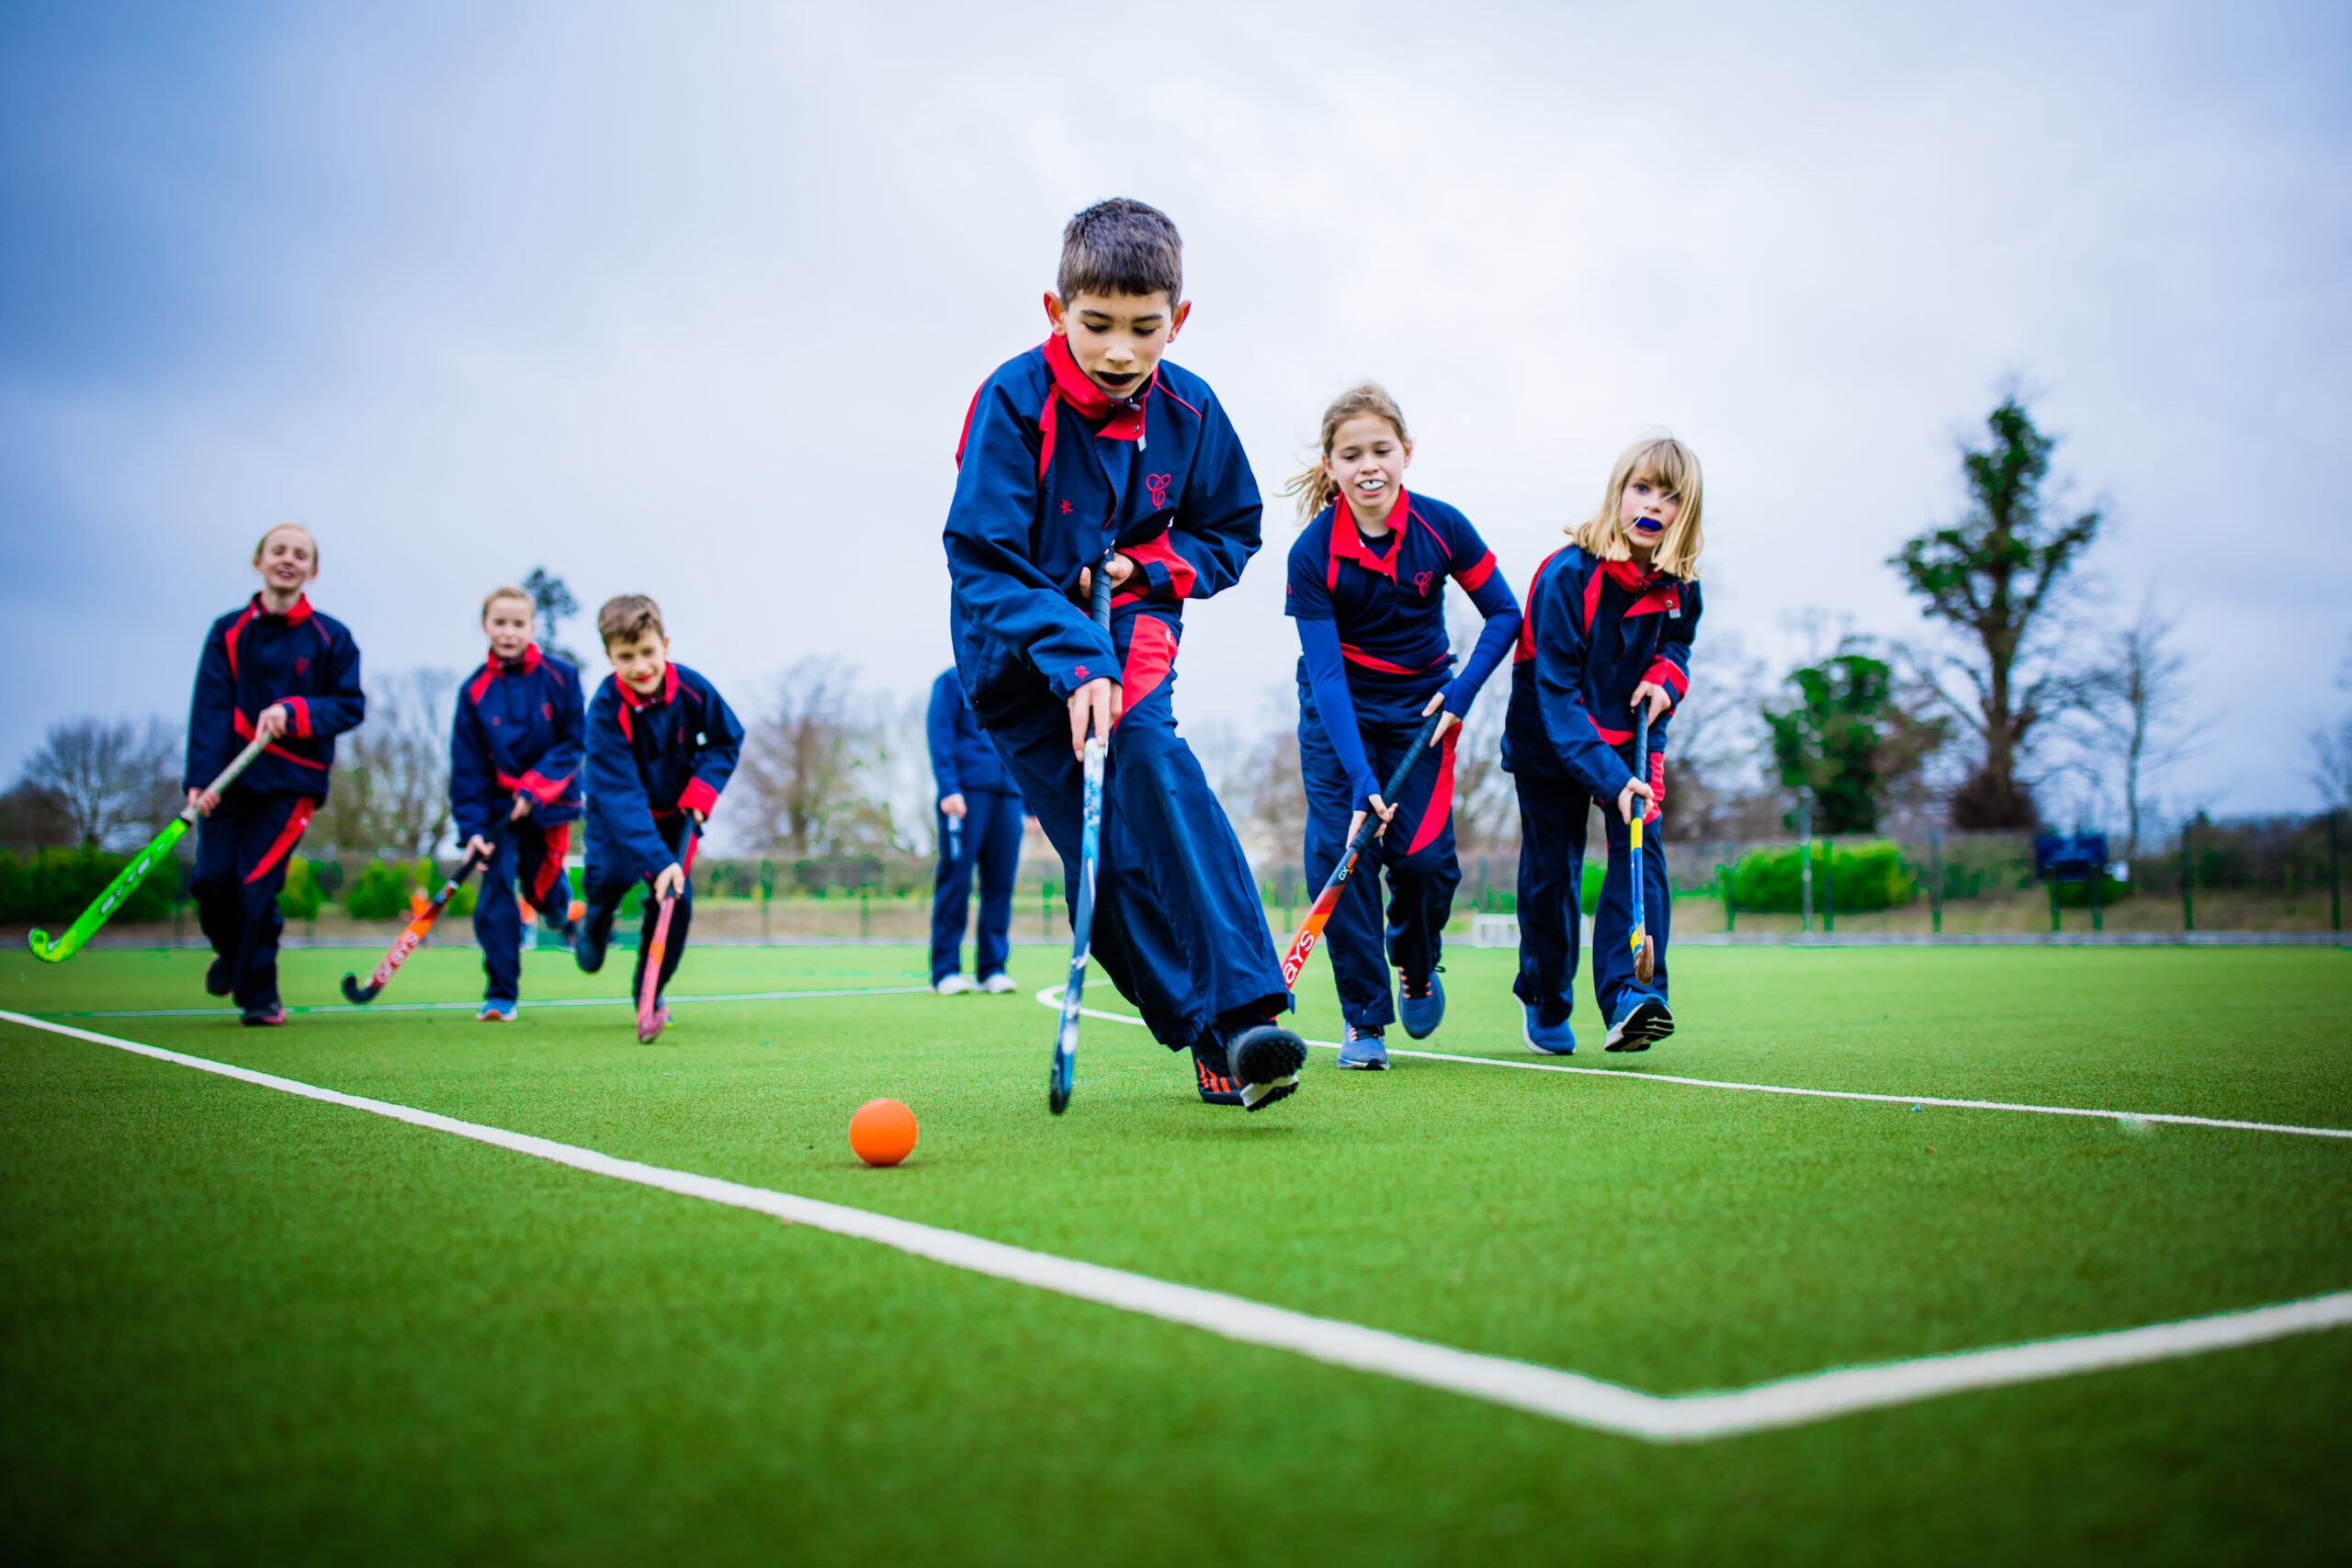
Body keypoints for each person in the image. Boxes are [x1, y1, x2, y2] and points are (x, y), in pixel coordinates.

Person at [943, 197, 1306, 1111]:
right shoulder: (1010, 404)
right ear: (1055, 311)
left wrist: (1147, 564)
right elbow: (982, 559)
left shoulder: (1190, 411)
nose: (1119, 351)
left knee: (1150, 763)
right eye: (1097, 325)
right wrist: (1072, 656)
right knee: (1096, 856)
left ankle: (1247, 1017)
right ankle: (1194, 1028)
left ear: (1176, 321)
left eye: (1144, 330)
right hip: (1013, 666)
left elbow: (1231, 531)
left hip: (1132, 630)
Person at [1283, 384, 1521, 1068]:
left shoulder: (1443, 527)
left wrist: (1459, 692)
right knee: (1345, 852)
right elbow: (1326, 676)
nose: (1369, 466)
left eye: (1381, 450)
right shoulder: (1312, 554)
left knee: (1422, 863)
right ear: (1331, 464)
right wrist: (1360, 780)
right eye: (1351, 454)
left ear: (1406, 454)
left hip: (1425, 711)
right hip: (1341, 719)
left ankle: (1416, 960)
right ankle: (1364, 1019)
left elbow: (1505, 614)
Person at [1501, 434, 1704, 1055]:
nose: (1652, 505)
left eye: (1669, 496)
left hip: (1629, 742)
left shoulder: (1681, 585)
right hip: (1548, 738)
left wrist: (1668, 680)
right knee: (1550, 874)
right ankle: (1546, 998)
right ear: (1618, 492)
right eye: (1641, 488)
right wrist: (1613, 784)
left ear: (1684, 512)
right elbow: (1557, 698)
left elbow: (1678, 648)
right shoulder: (1566, 575)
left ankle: (1633, 997)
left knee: (1641, 856)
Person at [182, 523, 366, 1025]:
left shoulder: (332, 637)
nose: (289, 559)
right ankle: (233, 955)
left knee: (256, 883)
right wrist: (201, 780)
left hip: (291, 785)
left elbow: (350, 706)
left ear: (313, 570)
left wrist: (295, 712)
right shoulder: (228, 631)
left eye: (300, 553)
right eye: (278, 550)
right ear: (259, 561)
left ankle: (259, 997)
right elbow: (210, 708)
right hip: (229, 784)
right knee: (211, 882)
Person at [572, 594, 742, 1032]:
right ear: (609, 656)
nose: (640, 666)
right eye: (626, 656)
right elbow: (619, 793)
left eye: (647, 652)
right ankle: (595, 920)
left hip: (675, 817)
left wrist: (702, 793)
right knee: (607, 879)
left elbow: (726, 739)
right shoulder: (605, 710)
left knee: (676, 903)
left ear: (664, 644)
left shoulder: (692, 689)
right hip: (617, 817)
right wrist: (659, 859)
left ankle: (648, 993)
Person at [451, 585, 586, 1022]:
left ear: (532, 626)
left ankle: (561, 913)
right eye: (500, 623)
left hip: (550, 803)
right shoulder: (474, 690)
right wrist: (472, 829)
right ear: (485, 625)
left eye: (518, 624)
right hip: (495, 810)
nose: (508, 632)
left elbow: (572, 742)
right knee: (495, 895)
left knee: (541, 890)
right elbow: (467, 766)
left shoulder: (562, 676)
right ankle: (501, 993)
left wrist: (534, 788)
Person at [925, 665, 1026, 996]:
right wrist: (948, 787)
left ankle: (992, 968)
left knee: (1001, 883)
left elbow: (1022, 740)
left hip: (1009, 794)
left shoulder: (1012, 681)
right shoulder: (951, 681)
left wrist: (1031, 804)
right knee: (956, 879)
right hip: (966, 793)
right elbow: (940, 735)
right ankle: (945, 970)